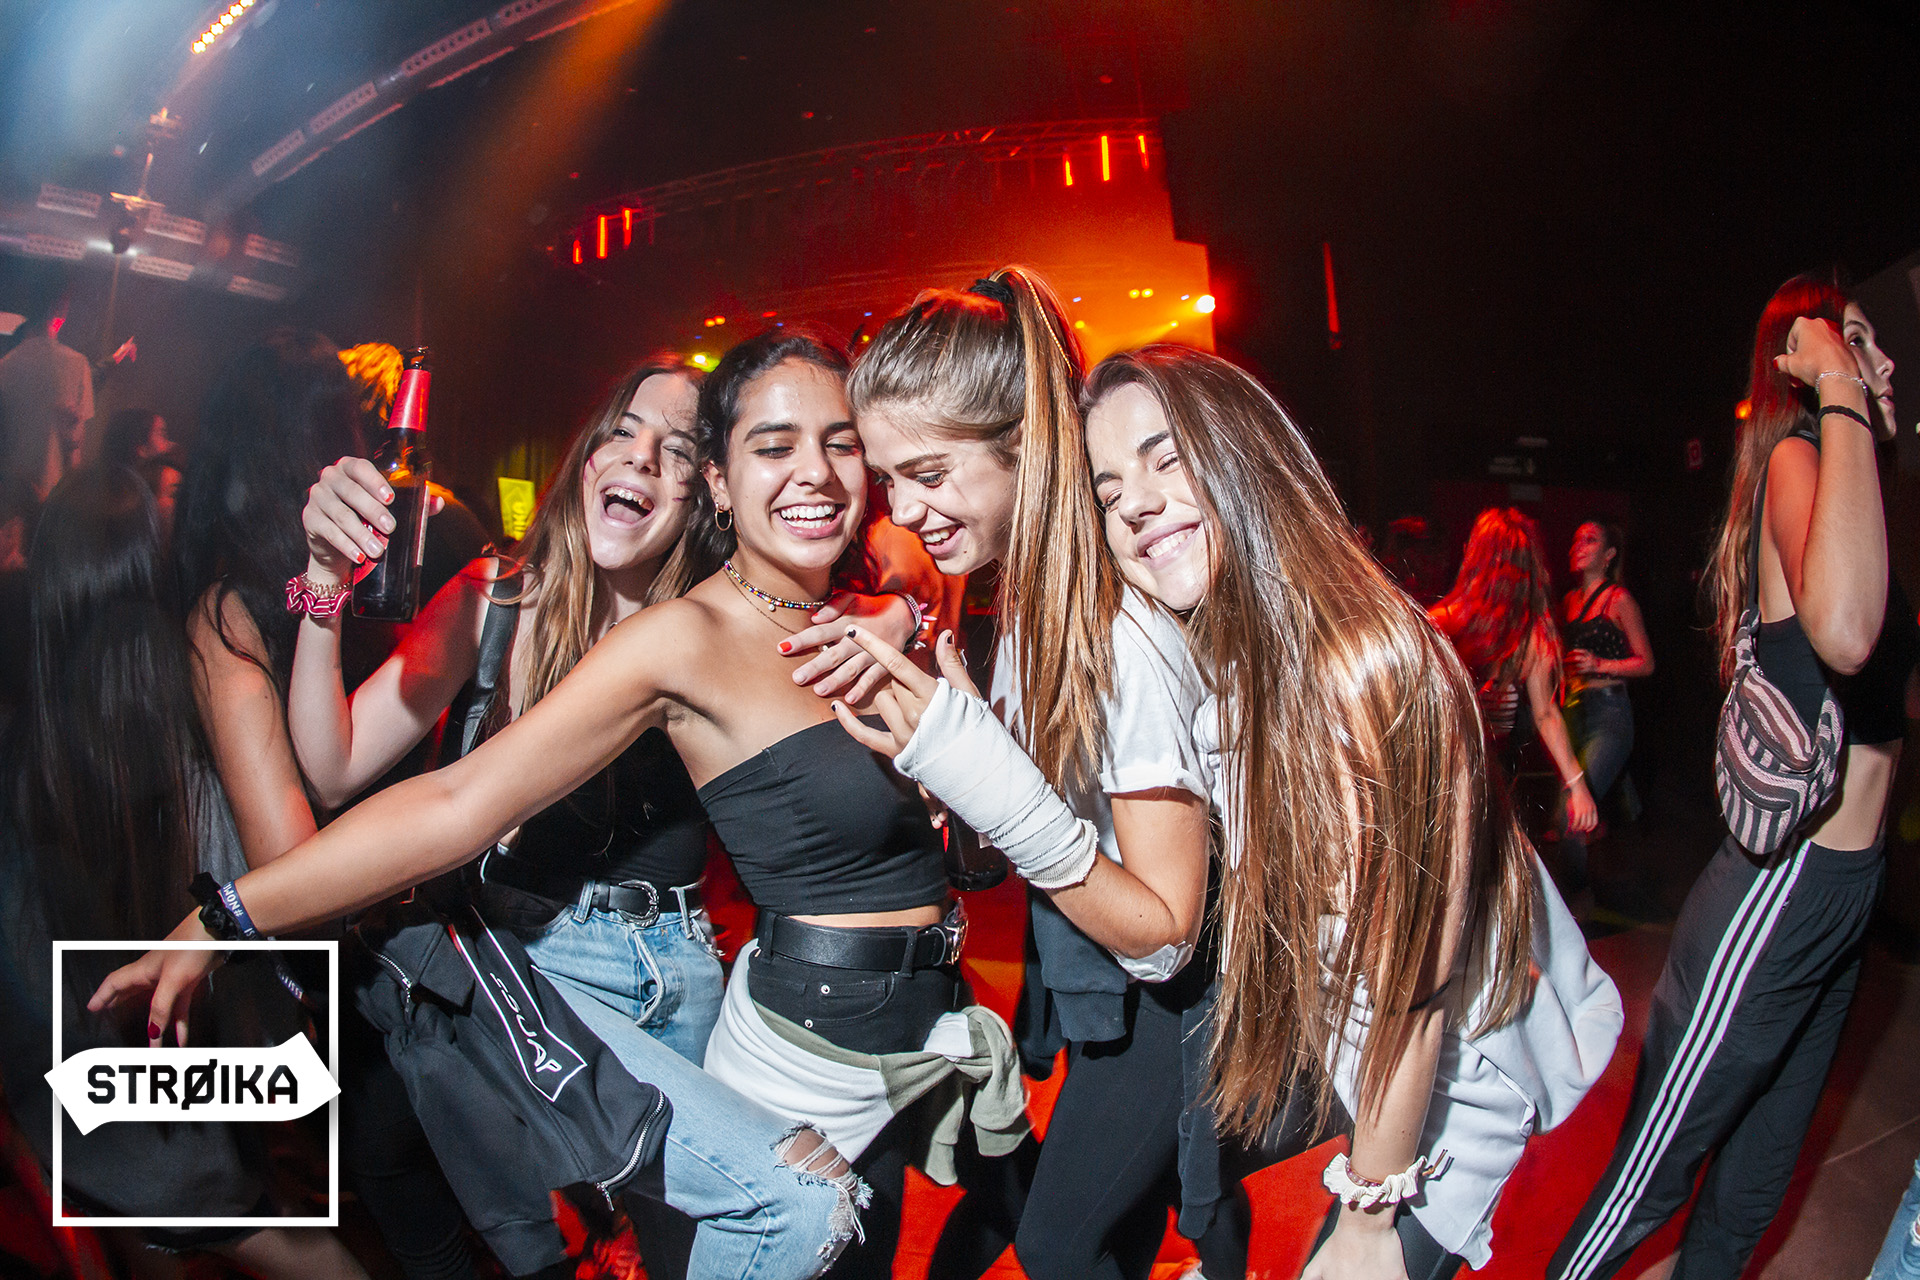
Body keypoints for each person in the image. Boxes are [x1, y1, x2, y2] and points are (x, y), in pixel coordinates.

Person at [91, 329, 1019, 1280]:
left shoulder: (778, 615)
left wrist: (910, 614)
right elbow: (407, 790)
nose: (641, 459)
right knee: (588, 1230)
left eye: (674, 447)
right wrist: (322, 590)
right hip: (538, 958)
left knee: (698, 1242)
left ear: (699, 488)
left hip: (690, 962)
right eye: (623, 433)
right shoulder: (533, 604)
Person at [844, 342, 1623, 1278]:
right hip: (1365, 1082)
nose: (1134, 503)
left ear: (1248, 459)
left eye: (1166, 459)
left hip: (1442, 1109)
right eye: (1108, 490)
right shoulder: (1237, 656)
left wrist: (1370, 1212)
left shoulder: (1362, 666)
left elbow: (1409, 998)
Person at [845, 269, 1245, 1280]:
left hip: (1182, 992)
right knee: (1120, 1225)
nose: (904, 509)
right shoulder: (1032, 603)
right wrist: (960, 768)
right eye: (889, 478)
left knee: (1062, 1241)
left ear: (1024, 444)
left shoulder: (1117, 630)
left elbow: (1169, 932)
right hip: (1102, 968)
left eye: (929, 472)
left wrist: (990, 780)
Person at [1551, 273, 1917, 1280]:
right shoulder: (1801, 459)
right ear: (1806, 359)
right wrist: (1837, 382)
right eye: (1857, 340)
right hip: (1780, 889)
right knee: (1645, 1189)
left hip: (1844, 895)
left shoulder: (1857, 497)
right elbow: (1844, 632)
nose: (1883, 361)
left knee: (1749, 1196)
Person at [0, 465, 366, 1279]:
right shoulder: (196, 727)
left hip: (91, 1109)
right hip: (202, 1095)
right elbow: (267, 901)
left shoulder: (24, 755)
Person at [1431, 507, 1598, 839]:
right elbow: (1546, 715)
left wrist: (1578, 786)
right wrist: (1578, 787)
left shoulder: (1445, 621)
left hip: (1471, 774)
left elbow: (1546, 715)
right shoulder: (1444, 624)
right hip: (1457, 771)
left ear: (1475, 555)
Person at [1556, 521, 1654, 895]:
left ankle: (1575, 901)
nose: (1578, 546)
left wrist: (1599, 664)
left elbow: (1646, 663)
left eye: (1590, 540)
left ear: (1609, 554)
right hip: (1575, 712)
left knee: (1572, 809)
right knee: (1570, 814)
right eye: (1576, 539)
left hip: (1610, 714)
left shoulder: (1619, 600)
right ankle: (1585, 890)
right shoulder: (1569, 601)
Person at [0, 281, 92, 499]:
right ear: (60, 305)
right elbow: (75, 451)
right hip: (53, 494)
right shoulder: (76, 364)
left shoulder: (5, 366)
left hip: (9, 496)